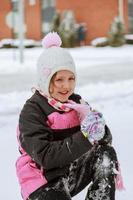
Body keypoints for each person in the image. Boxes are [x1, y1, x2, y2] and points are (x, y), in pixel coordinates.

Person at [16, 32, 124, 200]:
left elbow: (103, 141)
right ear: (46, 80)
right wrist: (86, 136)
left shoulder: (76, 103)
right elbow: (45, 156)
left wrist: (99, 129)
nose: (66, 86)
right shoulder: (33, 110)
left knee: (105, 153)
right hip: (42, 182)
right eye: (59, 80)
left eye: (71, 78)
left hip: (68, 172)